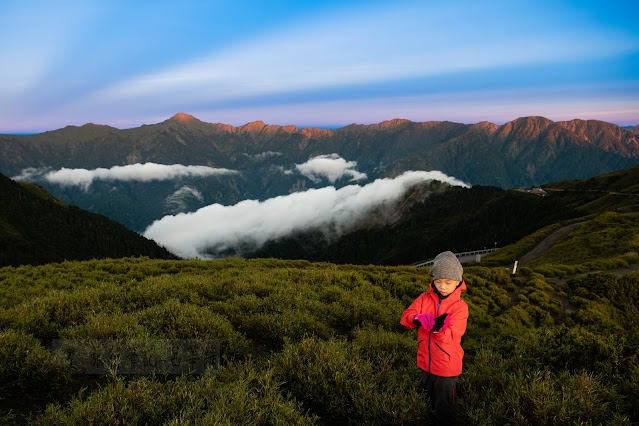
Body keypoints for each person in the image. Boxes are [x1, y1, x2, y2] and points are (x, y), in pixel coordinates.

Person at [401, 251, 469, 425]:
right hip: (425, 363)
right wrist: (417, 319)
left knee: (445, 409)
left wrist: (438, 329)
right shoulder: (424, 298)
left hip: (447, 368)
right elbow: (406, 317)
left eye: (448, 282)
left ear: (458, 282)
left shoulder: (460, 308)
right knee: (427, 404)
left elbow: (454, 335)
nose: (443, 287)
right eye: (438, 282)